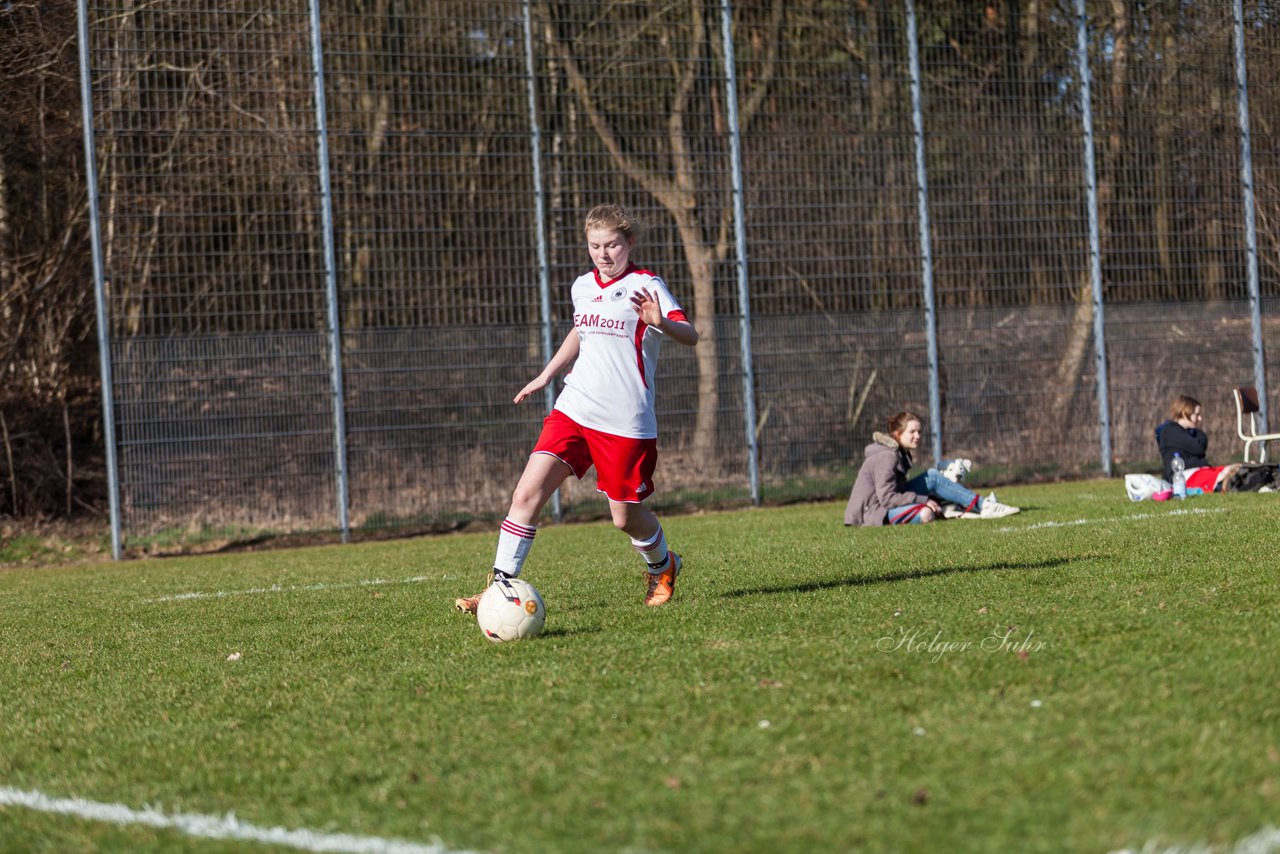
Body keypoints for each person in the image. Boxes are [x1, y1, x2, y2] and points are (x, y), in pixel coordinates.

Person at [454, 203, 699, 613]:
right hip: (575, 406)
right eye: (595, 246)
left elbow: (690, 336)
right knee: (526, 493)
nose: (604, 254)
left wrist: (661, 321)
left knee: (625, 518)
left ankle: (663, 564)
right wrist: (547, 374)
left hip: (625, 419)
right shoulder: (583, 285)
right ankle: (499, 589)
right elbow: (581, 329)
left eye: (612, 245)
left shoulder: (647, 284)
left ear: (630, 242)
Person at [843, 411, 1020, 526]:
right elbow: (887, 498)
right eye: (912, 432)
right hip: (871, 514)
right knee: (926, 513)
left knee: (933, 476)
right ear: (897, 435)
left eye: (919, 431)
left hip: (884, 505)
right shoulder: (887, 456)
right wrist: (924, 500)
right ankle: (959, 506)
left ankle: (982, 505)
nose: (917, 436)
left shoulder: (900, 453)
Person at [1154, 394, 1230, 493]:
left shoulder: (1189, 432)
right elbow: (1199, 447)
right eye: (1197, 415)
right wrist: (1197, 432)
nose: (1200, 419)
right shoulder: (1170, 431)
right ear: (1185, 413)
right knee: (1223, 476)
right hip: (1187, 475)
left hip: (1201, 471)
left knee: (1231, 469)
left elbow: (1201, 445)